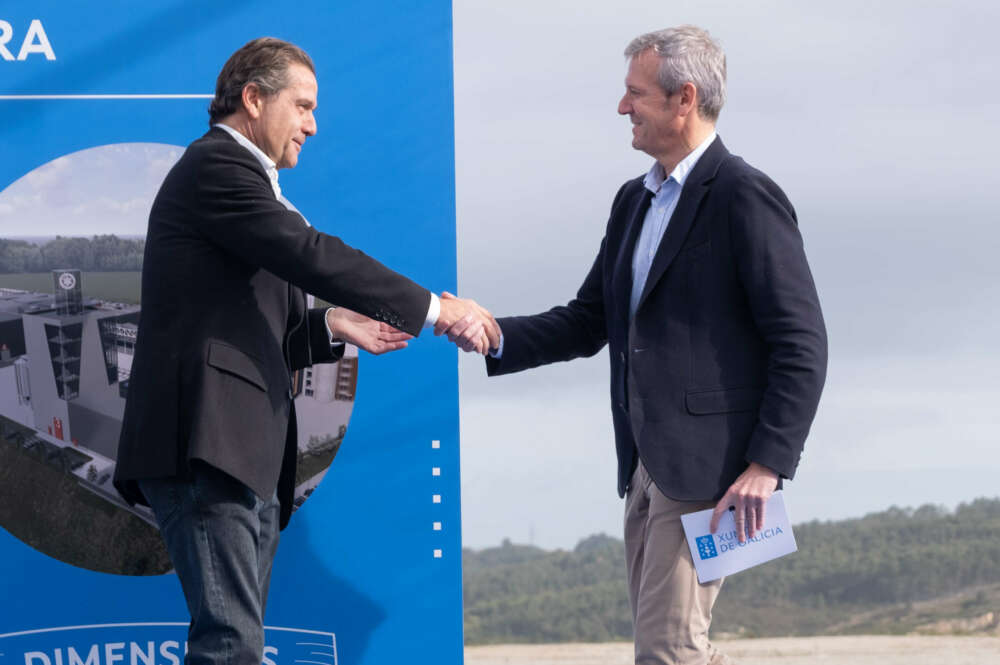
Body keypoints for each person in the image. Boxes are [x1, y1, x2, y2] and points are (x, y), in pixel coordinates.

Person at [449, 25, 827, 665]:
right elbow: (588, 319)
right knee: (675, 648)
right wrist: (494, 334)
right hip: (644, 468)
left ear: (684, 98)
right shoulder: (634, 201)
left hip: (712, 472)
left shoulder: (743, 194)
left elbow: (802, 339)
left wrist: (767, 464)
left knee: (668, 648)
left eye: (634, 93)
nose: (622, 107)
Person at [113, 37, 495, 665]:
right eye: (304, 106)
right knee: (231, 645)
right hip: (203, 450)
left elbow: (256, 328)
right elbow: (310, 253)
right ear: (254, 99)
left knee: (238, 643)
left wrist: (334, 326)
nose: (313, 126)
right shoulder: (217, 168)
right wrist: (435, 309)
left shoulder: (244, 187)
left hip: (242, 457)